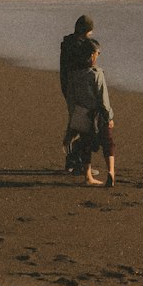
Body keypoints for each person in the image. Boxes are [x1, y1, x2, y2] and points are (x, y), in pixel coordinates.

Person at [65, 38, 116, 188]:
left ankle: (87, 176)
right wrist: (109, 117)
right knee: (108, 142)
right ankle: (111, 172)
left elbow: (71, 100)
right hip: (98, 114)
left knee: (85, 144)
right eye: (97, 53)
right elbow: (104, 100)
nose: (98, 56)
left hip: (82, 113)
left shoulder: (74, 75)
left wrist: (73, 118)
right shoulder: (97, 74)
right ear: (92, 55)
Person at [59, 14, 94, 173]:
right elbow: (84, 63)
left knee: (76, 122)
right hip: (77, 89)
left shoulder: (69, 43)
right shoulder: (77, 46)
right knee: (82, 124)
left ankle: (72, 161)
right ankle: (76, 161)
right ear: (86, 31)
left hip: (68, 88)